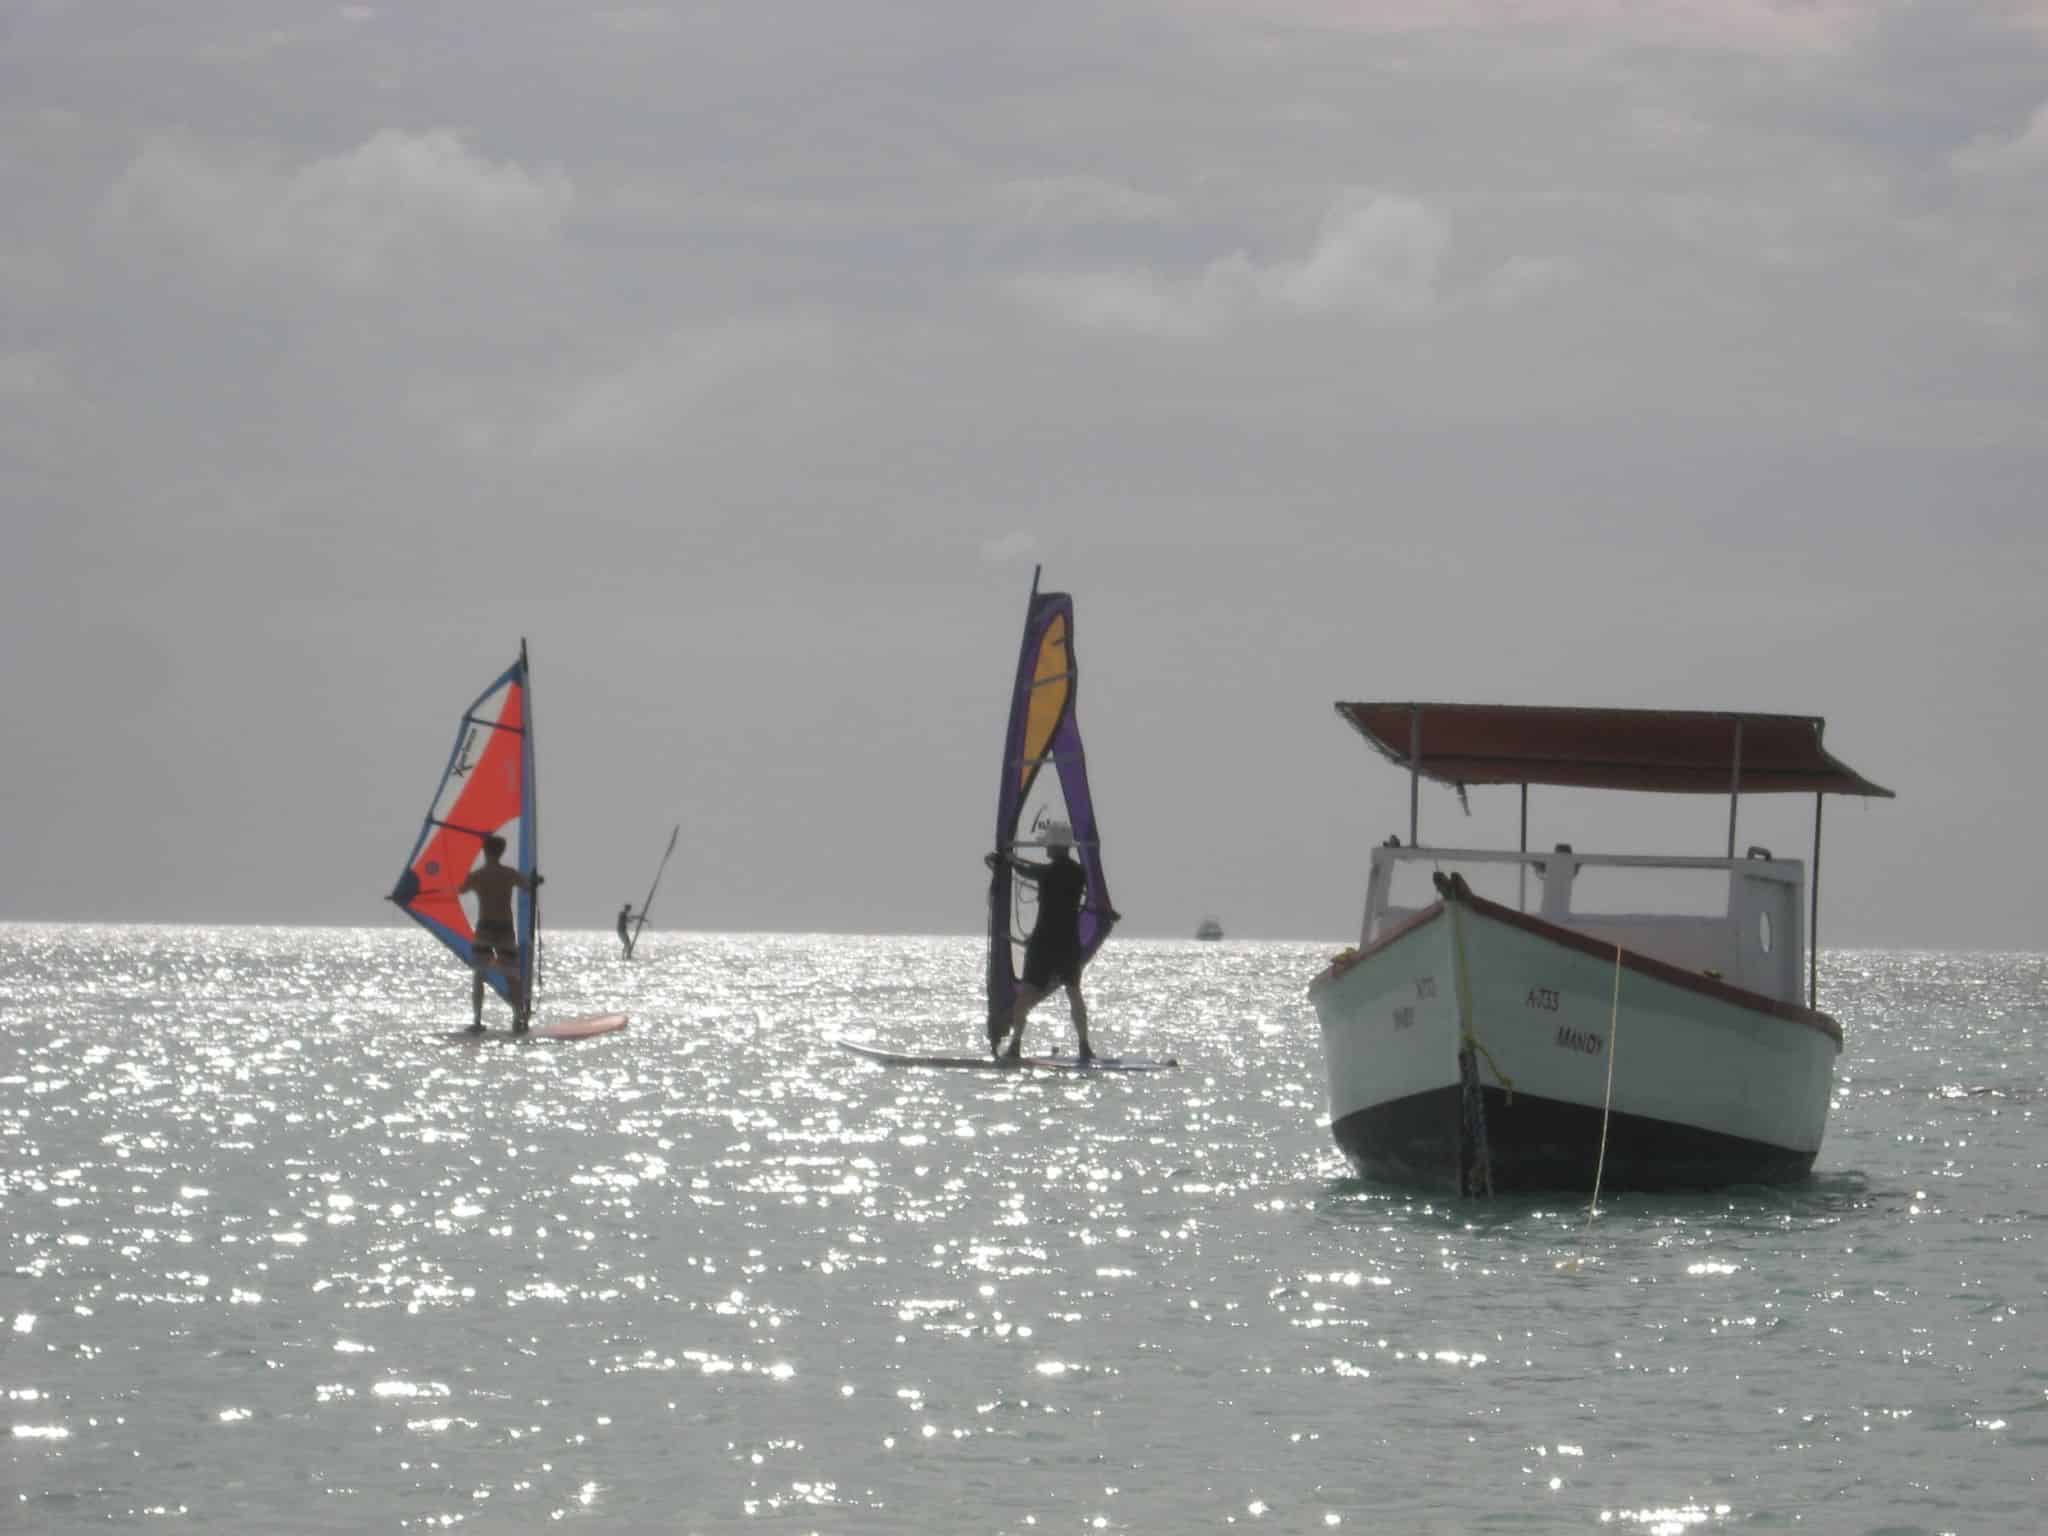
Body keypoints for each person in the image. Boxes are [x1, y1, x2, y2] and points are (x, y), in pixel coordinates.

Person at [985, 823, 1096, 1063]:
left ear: (1055, 846)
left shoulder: (1048, 873)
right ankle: (1084, 1045)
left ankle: (1015, 1046)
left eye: (1048, 844)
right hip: (1069, 944)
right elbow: (1036, 870)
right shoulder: (1080, 873)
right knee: (1074, 992)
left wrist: (1007, 859)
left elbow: (1028, 870)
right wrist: (1012, 860)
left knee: (1025, 995)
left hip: (1044, 943)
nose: (1045, 847)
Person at [461, 834, 541, 1033]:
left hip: (485, 928)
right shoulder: (509, 874)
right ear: (501, 851)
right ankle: (518, 1018)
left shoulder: (478, 876)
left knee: (479, 976)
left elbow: (461, 889)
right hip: (505, 928)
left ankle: (478, 1021)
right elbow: (528, 886)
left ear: (484, 851)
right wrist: (535, 880)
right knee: (512, 976)